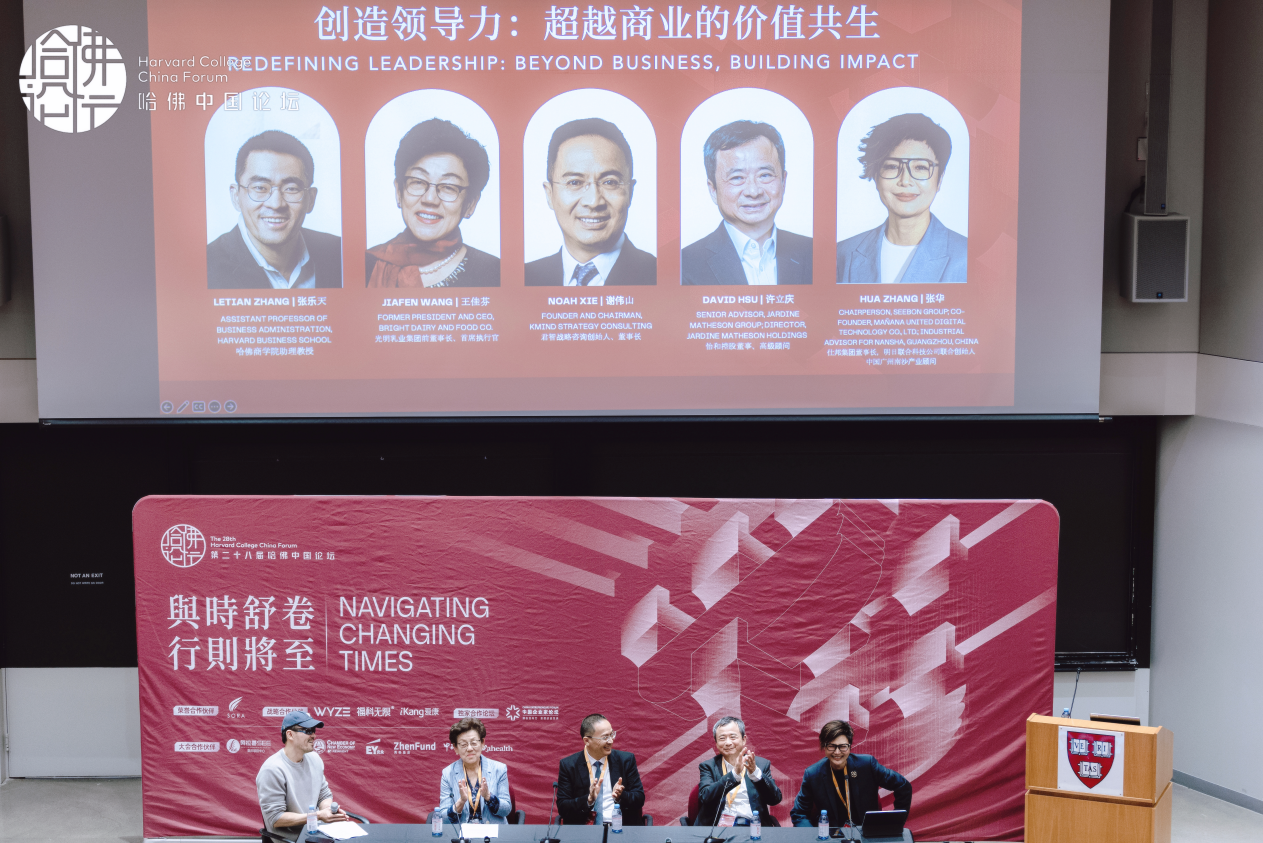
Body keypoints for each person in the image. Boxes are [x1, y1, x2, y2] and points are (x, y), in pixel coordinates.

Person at [367, 118, 500, 288]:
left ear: (470, 204)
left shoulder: (495, 273)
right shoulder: (363, 265)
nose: (430, 199)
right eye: (418, 182)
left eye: (449, 187)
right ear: (399, 192)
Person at [836, 112, 967, 284]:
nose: (905, 181)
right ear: (876, 177)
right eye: (892, 166)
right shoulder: (842, 254)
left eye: (920, 167)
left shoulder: (967, 257)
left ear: (939, 180)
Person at [526, 118, 656, 286]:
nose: (593, 201)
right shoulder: (524, 278)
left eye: (609, 182)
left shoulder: (662, 276)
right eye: (575, 182)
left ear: (630, 192)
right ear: (549, 194)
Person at [681, 120, 812, 286]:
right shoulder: (684, 266)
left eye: (765, 175)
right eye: (737, 178)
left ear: (783, 181)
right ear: (713, 189)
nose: (753, 191)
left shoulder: (817, 254)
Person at [208, 130, 343, 289]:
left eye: (291, 189)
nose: (276, 204)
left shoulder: (342, 254)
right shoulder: (203, 267)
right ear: (236, 196)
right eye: (260, 188)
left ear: (311, 199)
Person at [790, 720, 911, 830]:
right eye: (831, 746)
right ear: (824, 747)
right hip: (831, 837)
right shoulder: (812, 774)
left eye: (843, 746)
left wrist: (895, 824)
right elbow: (799, 813)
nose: (837, 752)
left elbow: (903, 786)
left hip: (866, 835)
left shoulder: (867, 765)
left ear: (850, 747)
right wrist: (812, 837)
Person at [256, 710, 352, 840]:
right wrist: (318, 816)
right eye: (308, 731)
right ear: (290, 735)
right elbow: (275, 818)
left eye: (314, 730)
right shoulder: (272, 769)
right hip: (291, 840)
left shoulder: (315, 759)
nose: (314, 735)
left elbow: (324, 795)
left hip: (316, 834)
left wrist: (329, 810)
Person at [557, 713, 646, 825]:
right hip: (584, 829)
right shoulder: (569, 765)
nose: (610, 741)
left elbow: (639, 798)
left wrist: (621, 796)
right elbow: (563, 807)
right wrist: (588, 800)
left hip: (619, 827)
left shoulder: (625, 760)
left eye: (611, 734)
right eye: (605, 737)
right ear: (587, 741)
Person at [697, 716, 783, 828]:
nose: (728, 743)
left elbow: (775, 799)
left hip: (753, 826)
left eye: (733, 737)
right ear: (716, 743)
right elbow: (705, 797)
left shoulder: (760, 764)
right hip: (719, 827)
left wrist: (756, 774)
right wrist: (734, 775)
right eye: (722, 738)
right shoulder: (708, 766)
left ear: (743, 739)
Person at [439, 717, 512, 824]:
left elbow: (506, 810)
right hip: (462, 832)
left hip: (492, 831)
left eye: (473, 743)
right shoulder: (447, 773)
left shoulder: (499, 769)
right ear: (455, 748)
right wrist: (461, 802)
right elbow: (443, 818)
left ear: (482, 743)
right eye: (463, 744)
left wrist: (488, 797)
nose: (469, 748)